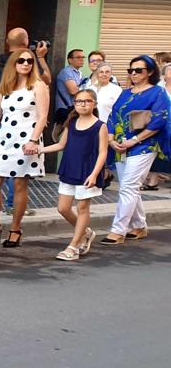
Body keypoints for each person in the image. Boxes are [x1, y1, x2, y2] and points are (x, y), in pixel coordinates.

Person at [0, 50, 49, 248]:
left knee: (18, 184)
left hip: (27, 140)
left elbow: (42, 116)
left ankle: (15, 229)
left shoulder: (39, 85)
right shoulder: (6, 86)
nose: (25, 64)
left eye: (29, 61)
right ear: (13, 64)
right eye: (21, 60)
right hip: (4, 139)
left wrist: (33, 141)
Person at [101, 55, 170, 244]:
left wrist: (135, 140)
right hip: (121, 145)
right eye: (130, 70)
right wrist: (111, 138)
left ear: (150, 72)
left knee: (129, 186)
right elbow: (113, 116)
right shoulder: (125, 93)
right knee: (129, 187)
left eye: (138, 70)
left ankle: (118, 230)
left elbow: (159, 120)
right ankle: (139, 226)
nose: (133, 74)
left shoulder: (157, 93)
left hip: (145, 145)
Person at [39, 88, 109, 262]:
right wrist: (39, 150)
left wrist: (94, 175)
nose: (82, 104)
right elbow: (61, 145)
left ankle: (74, 246)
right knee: (62, 208)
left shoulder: (100, 126)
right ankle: (85, 232)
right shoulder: (72, 123)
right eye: (79, 101)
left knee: (82, 208)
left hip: (87, 172)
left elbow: (103, 153)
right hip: (69, 169)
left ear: (94, 104)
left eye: (87, 101)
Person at [52, 48, 86, 136]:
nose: (81, 59)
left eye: (83, 57)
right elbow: (73, 90)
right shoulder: (67, 72)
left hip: (73, 108)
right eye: (78, 57)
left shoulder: (79, 73)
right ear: (70, 60)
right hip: (65, 108)